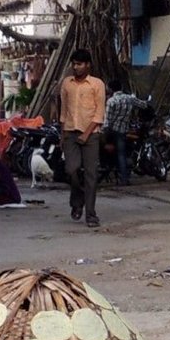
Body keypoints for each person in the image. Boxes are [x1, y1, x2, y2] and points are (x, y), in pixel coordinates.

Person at [56, 48, 106, 227]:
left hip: (91, 134)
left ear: (88, 65)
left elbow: (99, 113)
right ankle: (77, 201)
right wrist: (62, 134)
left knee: (91, 175)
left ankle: (90, 214)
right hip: (70, 132)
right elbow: (63, 111)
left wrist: (86, 134)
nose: (75, 67)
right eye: (74, 64)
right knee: (71, 170)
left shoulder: (96, 84)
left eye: (79, 64)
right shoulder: (66, 84)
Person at [101, 79, 148, 187]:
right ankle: (124, 178)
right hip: (123, 131)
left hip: (111, 131)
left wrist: (103, 132)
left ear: (111, 89)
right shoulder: (129, 98)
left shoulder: (111, 101)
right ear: (121, 87)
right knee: (121, 154)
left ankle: (109, 170)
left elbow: (107, 121)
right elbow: (143, 105)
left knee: (107, 150)